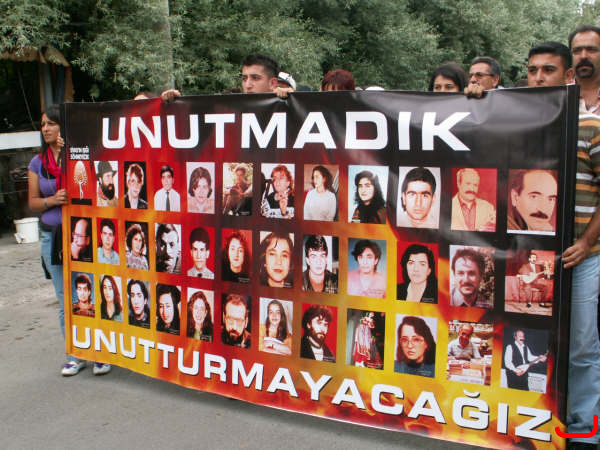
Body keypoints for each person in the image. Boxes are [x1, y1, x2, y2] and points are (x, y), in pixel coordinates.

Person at [28, 105, 108, 376]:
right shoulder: (37, 163)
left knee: (87, 292)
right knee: (66, 299)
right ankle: (75, 355)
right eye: (43, 124)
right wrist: (51, 200)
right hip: (51, 237)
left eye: (51, 123)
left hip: (80, 235)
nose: (46, 129)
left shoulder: (78, 154)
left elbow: (89, 188)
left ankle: (99, 353)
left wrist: (67, 155)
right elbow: (32, 202)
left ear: (63, 127)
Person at [564, 28, 600, 447]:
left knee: (583, 343)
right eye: (578, 49)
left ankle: (585, 429)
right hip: (546, 251)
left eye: (592, 48)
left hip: (586, 250)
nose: (584, 55)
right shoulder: (557, 103)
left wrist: (588, 242)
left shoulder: (593, 121)